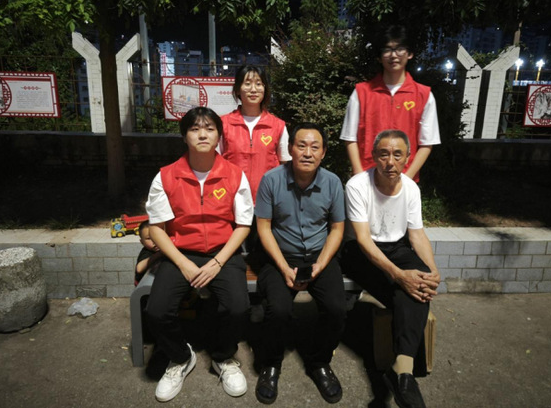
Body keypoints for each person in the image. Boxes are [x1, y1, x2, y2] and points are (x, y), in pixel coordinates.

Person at [144, 107, 254, 403]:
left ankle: (223, 357)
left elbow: (243, 226)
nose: (202, 134)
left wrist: (218, 262)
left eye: (209, 128)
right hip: (181, 252)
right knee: (156, 311)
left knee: (238, 307)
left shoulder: (235, 174)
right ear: (184, 136)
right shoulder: (166, 176)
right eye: (194, 129)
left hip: (223, 252)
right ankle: (181, 357)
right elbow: (157, 229)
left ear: (219, 136)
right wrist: (183, 263)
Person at [340, 129, 441, 408]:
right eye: (384, 154)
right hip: (359, 251)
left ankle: (402, 371)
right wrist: (398, 275)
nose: (390, 161)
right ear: (374, 156)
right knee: (405, 290)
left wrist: (432, 270)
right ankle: (403, 373)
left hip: (396, 247)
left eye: (398, 155)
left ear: (407, 158)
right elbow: (363, 239)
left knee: (420, 283)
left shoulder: (410, 188)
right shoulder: (357, 185)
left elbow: (417, 235)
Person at [253, 122, 347, 405]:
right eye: (301, 145)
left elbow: (337, 229)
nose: (308, 152)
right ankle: (271, 364)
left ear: (324, 153)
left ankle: (319, 362)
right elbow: (264, 228)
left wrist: (321, 264)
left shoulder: (332, 182)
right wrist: (283, 267)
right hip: (280, 256)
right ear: (290, 149)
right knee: (278, 310)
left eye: (315, 147)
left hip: (320, 256)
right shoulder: (271, 180)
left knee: (336, 308)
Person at [340, 25, 440, 181]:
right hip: (367, 177)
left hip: (404, 178)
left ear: (410, 53)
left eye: (400, 49)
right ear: (379, 57)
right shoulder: (361, 93)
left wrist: (406, 180)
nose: (393, 55)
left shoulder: (424, 95)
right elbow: (350, 138)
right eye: (387, 50)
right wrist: (360, 177)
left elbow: (427, 143)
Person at [219, 64, 290, 201]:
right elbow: (215, 161)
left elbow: (285, 165)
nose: (253, 89)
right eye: (247, 84)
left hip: (267, 199)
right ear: (238, 89)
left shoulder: (277, 126)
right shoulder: (224, 124)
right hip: (232, 199)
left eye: (258, 84)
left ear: (265, 89)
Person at [134, 220, 161, 285]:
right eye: (149, 238)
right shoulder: (146, 252)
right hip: (143, 285)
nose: (154, 240)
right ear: (142, 242)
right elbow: (139, 268)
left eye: (157, 236)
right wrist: (159, 254)